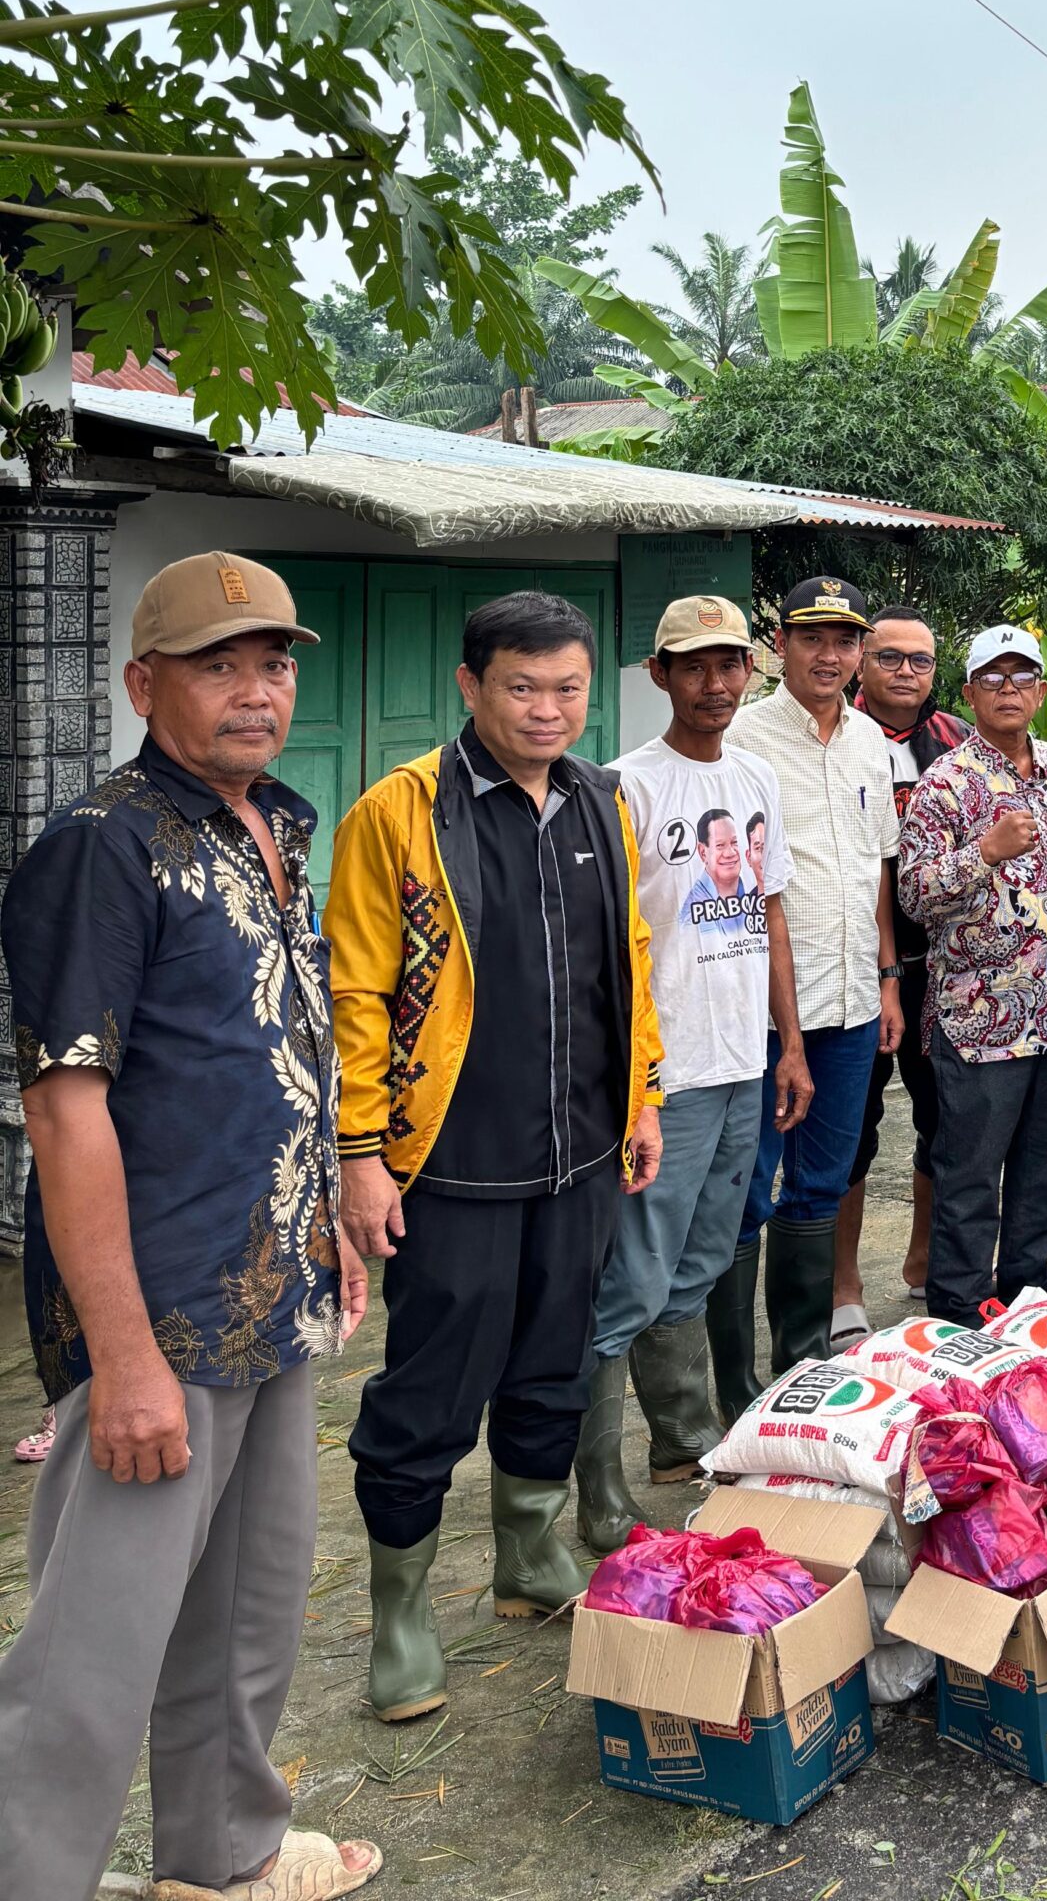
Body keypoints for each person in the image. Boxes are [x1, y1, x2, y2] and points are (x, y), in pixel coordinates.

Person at [0, 552, 379, 1901]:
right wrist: (125, 1358)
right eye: (221, 663)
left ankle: (223, 1856)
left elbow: (272, 1053)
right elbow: (63, 1113)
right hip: (157, 1321)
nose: (257, 690)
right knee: (90, 1661)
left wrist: (330, 1212)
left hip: (272, 1292)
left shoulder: (272, 821)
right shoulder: (100, 848)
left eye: (274, 662)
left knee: (250, 1613)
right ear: (142, 682)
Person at [328, 591, 664, 1726]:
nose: (548, 708)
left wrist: (643, 1097)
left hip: (579, 1152)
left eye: (568, 687)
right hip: (453, 1161)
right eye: (523, 686)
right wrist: (361, 1153)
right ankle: (402, 1612)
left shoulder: (601, 800)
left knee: (553, 1365)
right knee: (430, 1386)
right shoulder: (402, 811)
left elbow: (631, 962)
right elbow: (358, 990)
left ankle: (526, 1556)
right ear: (472, 686)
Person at [574, 596, 809, 1549]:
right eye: (694, 666)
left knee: (706, 1255)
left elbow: (772, 915)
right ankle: (596, 1480)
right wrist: (631, 1082)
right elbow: (601, 945)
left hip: (742, 1059)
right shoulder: (622, 786)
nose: (715, 683)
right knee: (632, 1273)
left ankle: (680, 1436)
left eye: (730, 665)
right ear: (660, 674)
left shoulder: (755, 778)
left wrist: (786, 1043)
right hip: (662, 1077)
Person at [713, 577, 905, 1411]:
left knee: (823, 1180)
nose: (830, 655)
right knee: (745, 1190)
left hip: (855, 1001)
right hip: (759, 1012)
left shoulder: (872, 744)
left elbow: (878, 875)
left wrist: (891, 981)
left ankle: (799, 1361)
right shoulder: (743, 741)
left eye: (845, 640)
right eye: (813, 638)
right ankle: (733, 1382)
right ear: (780, 646)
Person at [897, 625, 1047, 1329]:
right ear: (969, 692)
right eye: (993, 678)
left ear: (1040, 691)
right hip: (982, 1019)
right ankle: (958, 1300)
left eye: (1021, 678)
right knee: (971, 1172)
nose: (1008, 690)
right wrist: (984, 851)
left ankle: (1027, 1283)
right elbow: (915, 896)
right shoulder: (944, 785)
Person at [831, 603, 968, 1343]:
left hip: (942, 967)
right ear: (861, 662)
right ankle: (842, 1283)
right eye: (890, 657)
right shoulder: (840, 738)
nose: (907, 672)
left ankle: (924, 1261)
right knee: (851, 1127)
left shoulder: (955, 741)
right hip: (855, 965)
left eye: (920, 660)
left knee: (943, 1120)